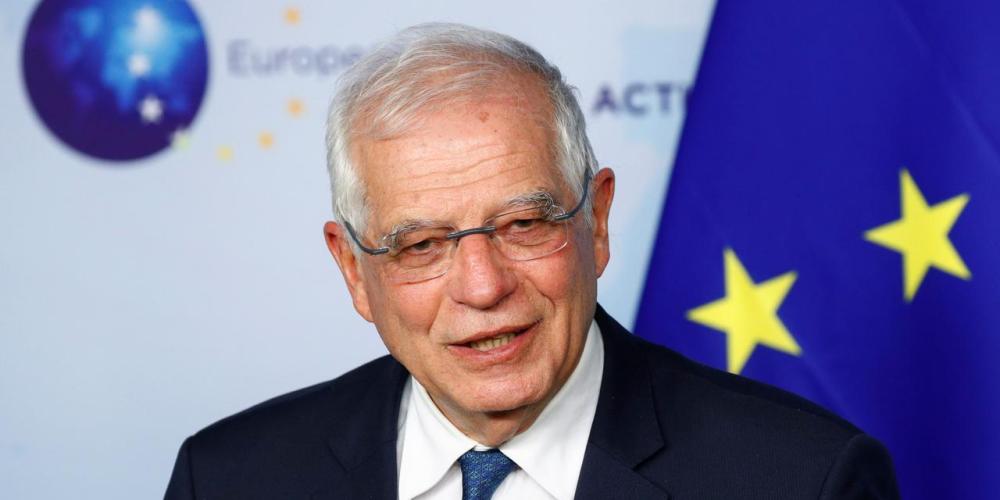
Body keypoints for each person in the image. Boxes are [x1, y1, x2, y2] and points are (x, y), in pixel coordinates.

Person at [164, 23, 899, 500]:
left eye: (523, 224)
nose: (483, 287)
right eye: (421, 245)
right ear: (354, 270)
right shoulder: (229, 479)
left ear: (596, 221)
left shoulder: (803, 479)